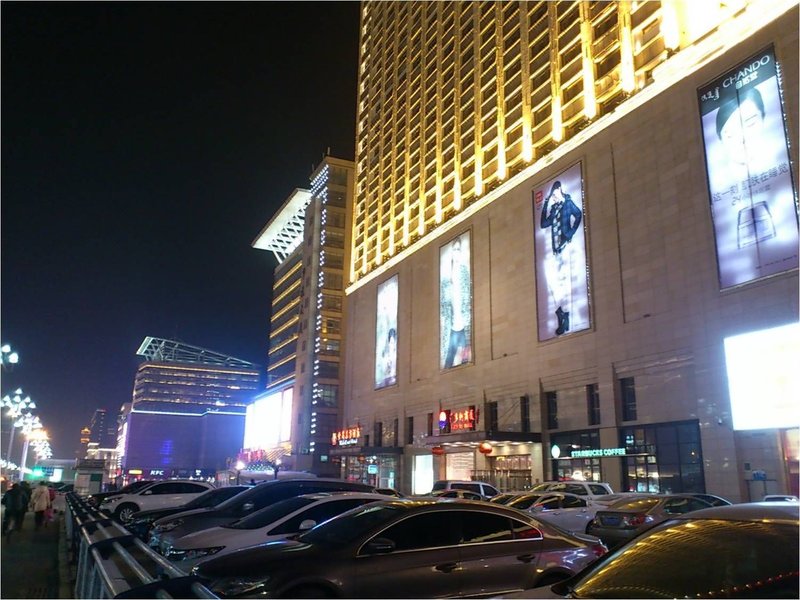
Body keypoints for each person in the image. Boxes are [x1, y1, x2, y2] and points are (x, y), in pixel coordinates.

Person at [540, 180, 582, 335]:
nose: (553, 197)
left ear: (560, 190)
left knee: (564, 284)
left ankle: (565, 318)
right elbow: (544, 223)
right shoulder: (555, 208)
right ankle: (562, 314)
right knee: (553, 282)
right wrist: (545, 203)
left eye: (554, 194)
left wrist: (570, 233)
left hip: (566, 248)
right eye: (552, 195)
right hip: (556, 251)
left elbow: (578, 215)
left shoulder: (567, 204)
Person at [443, 236, 471, 368]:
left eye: (459, 249)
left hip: (464, 326)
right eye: (455, 249)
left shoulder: (465, 272)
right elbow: (444, 306)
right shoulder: (446, 277)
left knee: (468, 362)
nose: (457, 252)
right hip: (452, 329)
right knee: (448, 362)